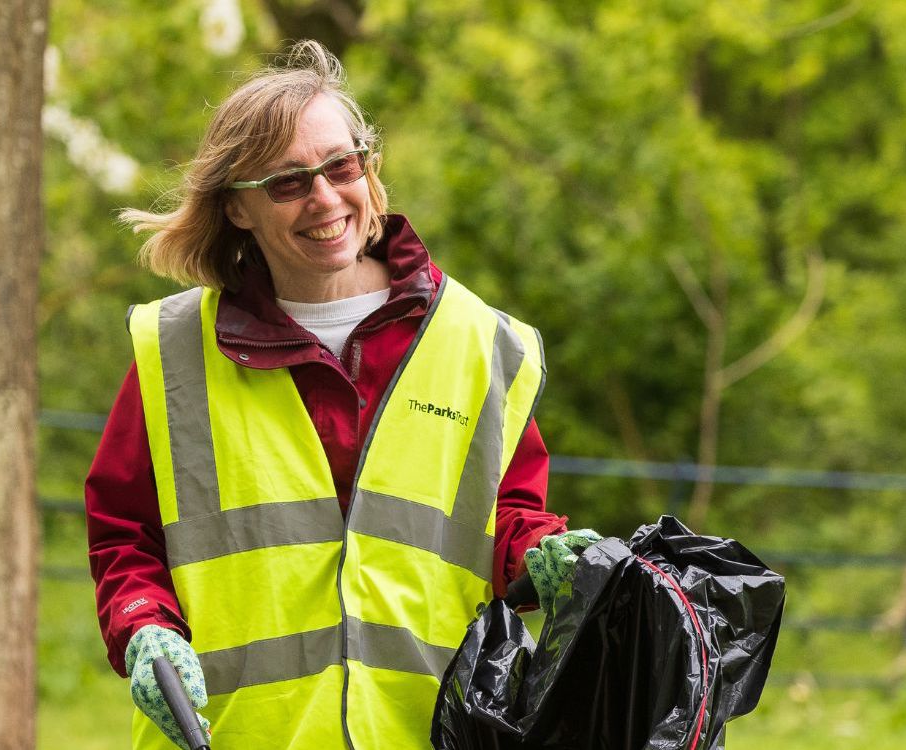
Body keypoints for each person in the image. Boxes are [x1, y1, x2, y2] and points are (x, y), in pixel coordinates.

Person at [86, 40, 600, 750]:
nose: (325, 198)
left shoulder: (482, 342)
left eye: (341, 166)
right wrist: (144, 625)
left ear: (368, 167)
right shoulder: (173, 351)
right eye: (288, 183)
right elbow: (124, 533)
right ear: (239, 210)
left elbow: (506, 514)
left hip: (430, 732)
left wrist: (548, 555)